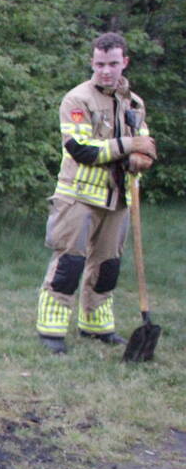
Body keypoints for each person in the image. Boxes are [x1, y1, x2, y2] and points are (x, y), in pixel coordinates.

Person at [36, 32, 158, 354]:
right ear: (92, 62)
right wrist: (129, 147)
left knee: (107, 268)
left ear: (124, 63)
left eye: (113, 63)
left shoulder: (135, 103)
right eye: (100, 63)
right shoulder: (77, 100)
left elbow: (147, 145)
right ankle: (51, 331)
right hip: (77, 197)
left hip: (118, 199)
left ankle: (96, 327)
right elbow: (81, 149)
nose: (106, 70)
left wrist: (141, 158)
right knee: (69, 264)